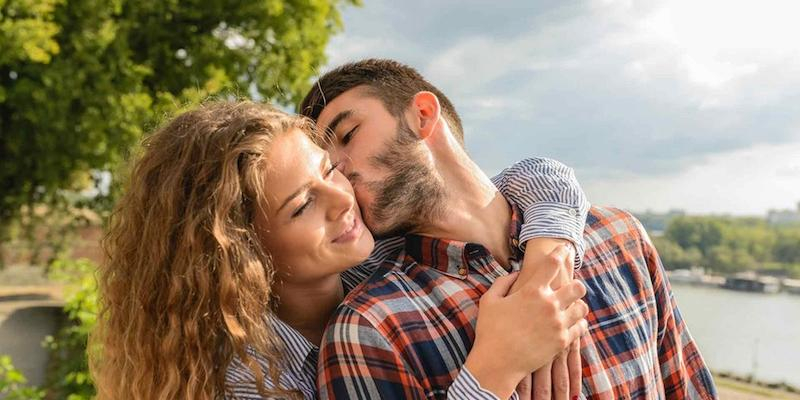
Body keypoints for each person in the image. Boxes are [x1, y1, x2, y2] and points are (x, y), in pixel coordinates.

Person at [90, 100, 591, 400]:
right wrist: (495, 368)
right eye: (302, 205)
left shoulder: (375, 256)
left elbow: (536, 178)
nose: (343, 199)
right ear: (240, 252)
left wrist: (547, 264)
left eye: (329, 170)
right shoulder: (245, 383)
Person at [299, 59, 719, 399]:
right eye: (326, 166)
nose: (338, 170)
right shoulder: (369, 329)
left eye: (348, 135)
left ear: (423, 115)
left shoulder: (619, 237)